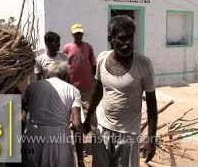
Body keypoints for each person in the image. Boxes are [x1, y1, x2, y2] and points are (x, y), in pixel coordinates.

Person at [84, 15, 158, 166]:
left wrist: (151, 140)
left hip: (128, 134)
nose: (128, 42)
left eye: (130, 37)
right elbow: (97, 91)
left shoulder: (143, 64)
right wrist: (87, 119)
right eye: (122, 38)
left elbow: (152, 104)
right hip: (102, 129)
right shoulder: (102, 59)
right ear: (110, 39)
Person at [22, 61, 83, 167]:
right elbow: (77, 123)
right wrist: (80, 158)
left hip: (33, 137)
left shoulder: (32, 87)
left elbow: (22, 116)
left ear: (48, 74)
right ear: (66, 76)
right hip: (59, 141)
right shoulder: (73, 91)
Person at [63, 23, 97, 166]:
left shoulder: (88, 47)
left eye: (80, 33)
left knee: (93, 122)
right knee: (75, 123)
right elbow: (64, 68)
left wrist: (92, 81)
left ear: (82, 34)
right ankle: (80, 153)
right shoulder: (67, 48)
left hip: (87, 90)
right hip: (72, 91)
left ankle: (96, 151)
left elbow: (93, 65)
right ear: (73, 34)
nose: (78, 35)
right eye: (76, 33)